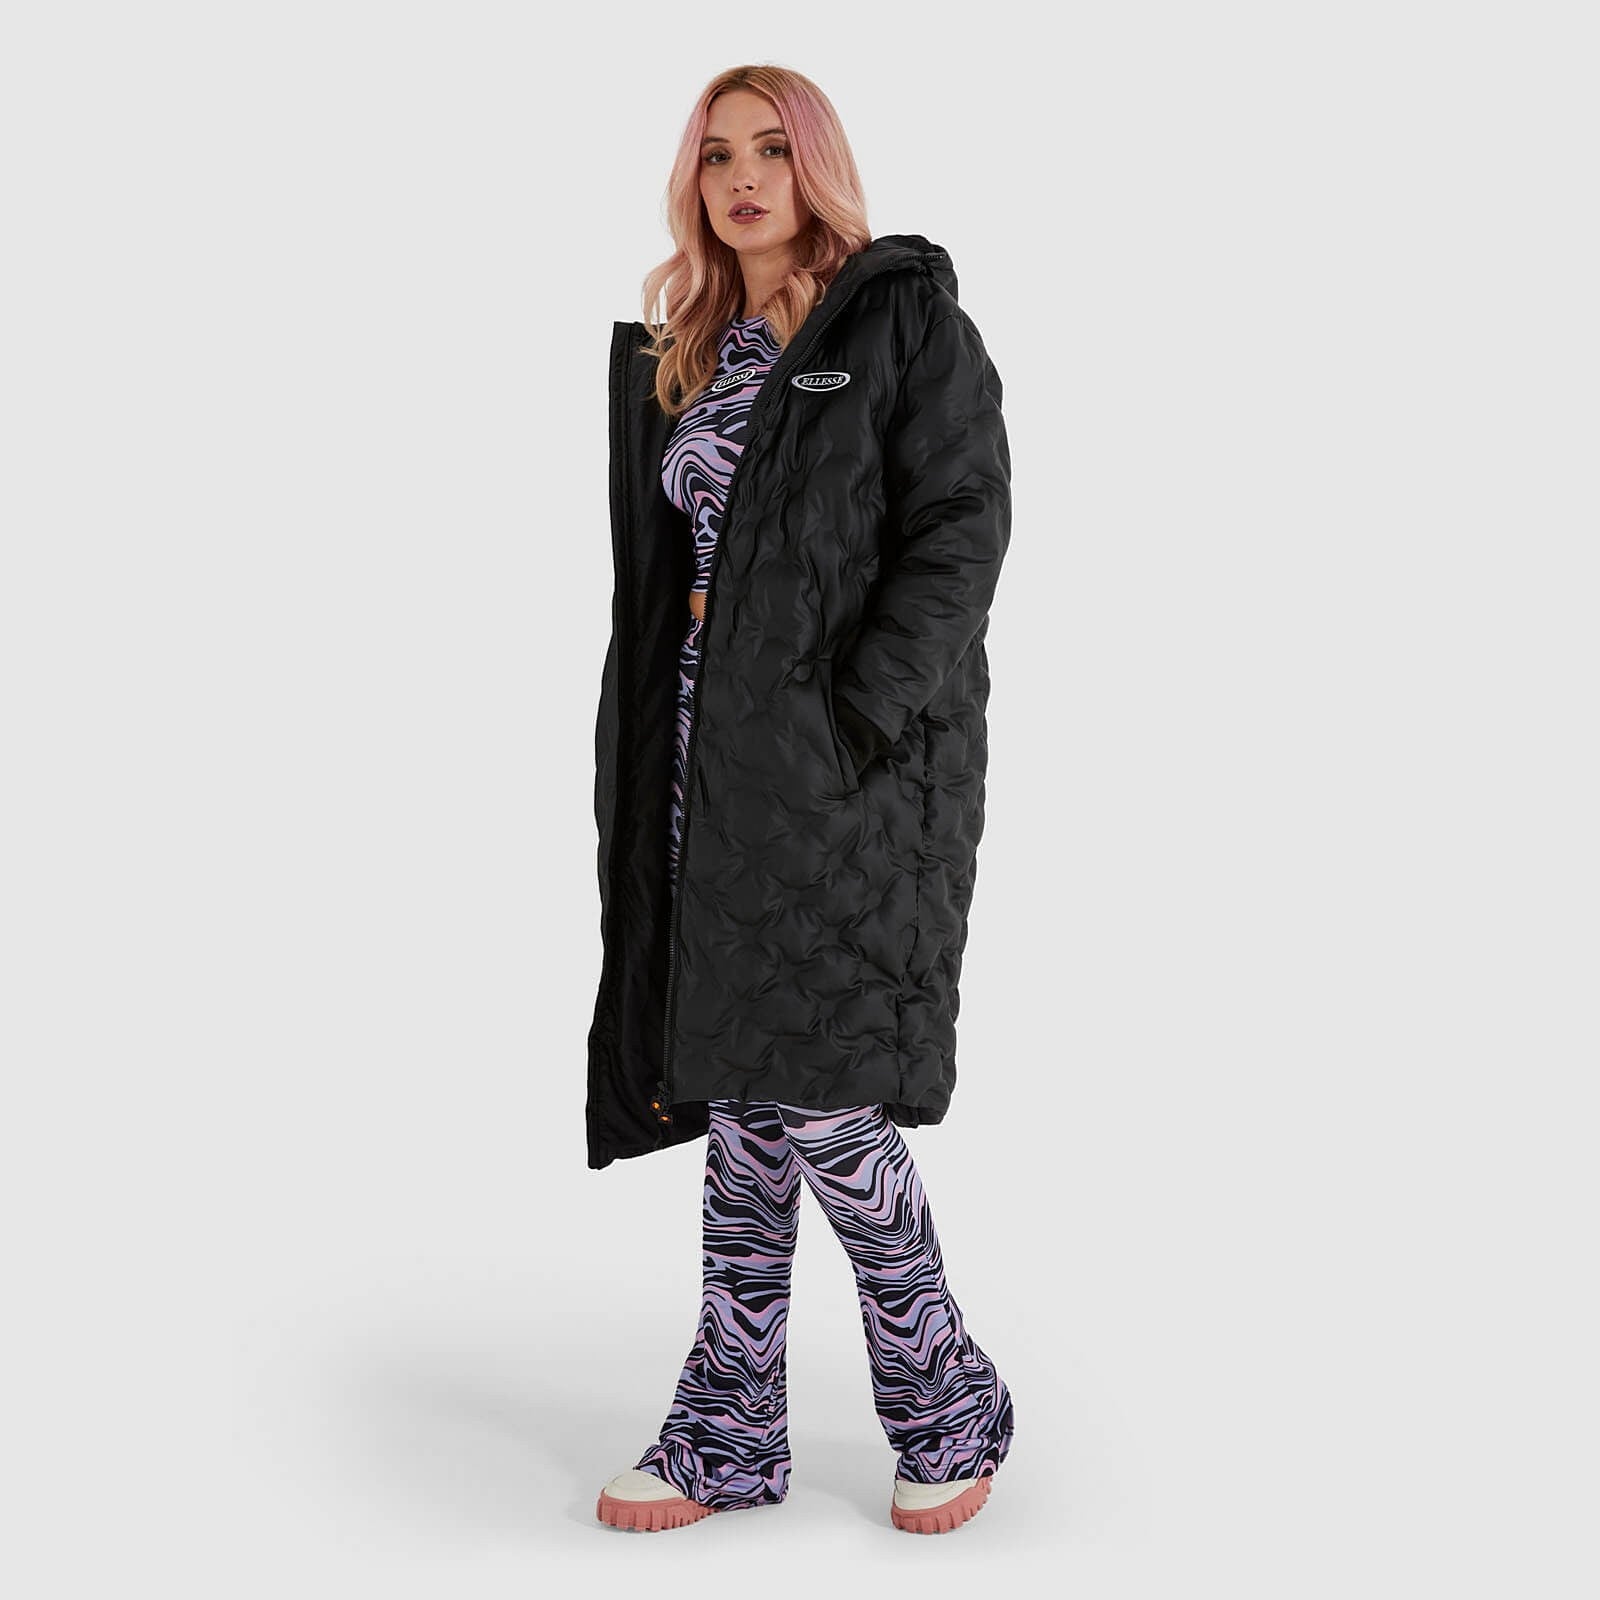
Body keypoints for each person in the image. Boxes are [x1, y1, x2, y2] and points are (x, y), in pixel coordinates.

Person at [588, 63, 1015, 1536]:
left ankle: (945, 1394)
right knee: (745, 1093)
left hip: (844, 768)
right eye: (717, 156)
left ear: (815, 165)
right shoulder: (693, 349)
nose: (743, 178)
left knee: (823, 1095)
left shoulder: (899, 324)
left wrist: (855, 718)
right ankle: (730, 1427)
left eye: (772, 149)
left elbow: (959, 534)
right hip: (705, 760)